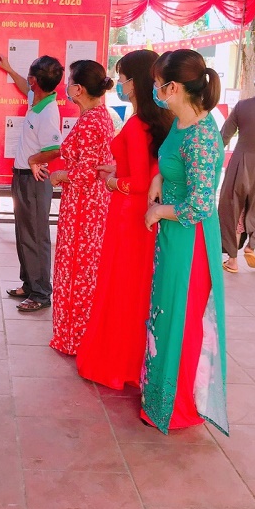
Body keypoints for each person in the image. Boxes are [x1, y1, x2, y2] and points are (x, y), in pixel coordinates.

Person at [143, 49, 228, 435]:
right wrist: (159, 178)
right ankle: (157, 399)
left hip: (191, 241)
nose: (156, 90)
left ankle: (176, 408)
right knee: (164, 314)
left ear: (173, 87)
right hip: (173, 238)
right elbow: (172, 162)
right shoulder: (180, 122)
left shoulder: (203, 137)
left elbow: (199, 205)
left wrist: (159, 211)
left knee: (181, 319)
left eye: (158, 85)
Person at [76, 50, 173, 388]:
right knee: (136, 291)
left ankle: (115, 364)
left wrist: (114, 182)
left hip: (129, 214)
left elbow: (142, 182)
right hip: (142, 217)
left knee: (121, 290)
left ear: (135, 82)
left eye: (123, 77)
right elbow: (147, 169)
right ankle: (132, 364)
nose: (119, 83)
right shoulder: (157, 121)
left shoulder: (136, 124)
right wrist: (118, 169)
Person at [45, 60, 114, 355]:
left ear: (79, 89)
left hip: (84, 205)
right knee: (84, 269)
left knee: (77, 270)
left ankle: (74, 337)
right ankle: (79, 334)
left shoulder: (90, 121)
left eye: (70, 81)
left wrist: (61, 175)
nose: (66, 87)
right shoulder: (99, 116)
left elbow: (88, 171)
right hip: (89, 202)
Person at [0, 52, 64, 312]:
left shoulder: (48, 112)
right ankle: (29, 284)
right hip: (22, 177)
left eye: (29, 77)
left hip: (35, 180)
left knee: (35, 237)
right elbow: (26, 88)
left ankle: (41, 293)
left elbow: (54, 149)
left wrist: (34, 159)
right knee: (24, 234)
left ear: (35, 80)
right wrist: (10, 69)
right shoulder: (38, 99)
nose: (28, 82)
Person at [219, 67, 255, 273]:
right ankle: (252, 246)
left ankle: (232, 260)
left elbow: (224, 136)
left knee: (234, 208)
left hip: (241, 164)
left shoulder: (242, 106)